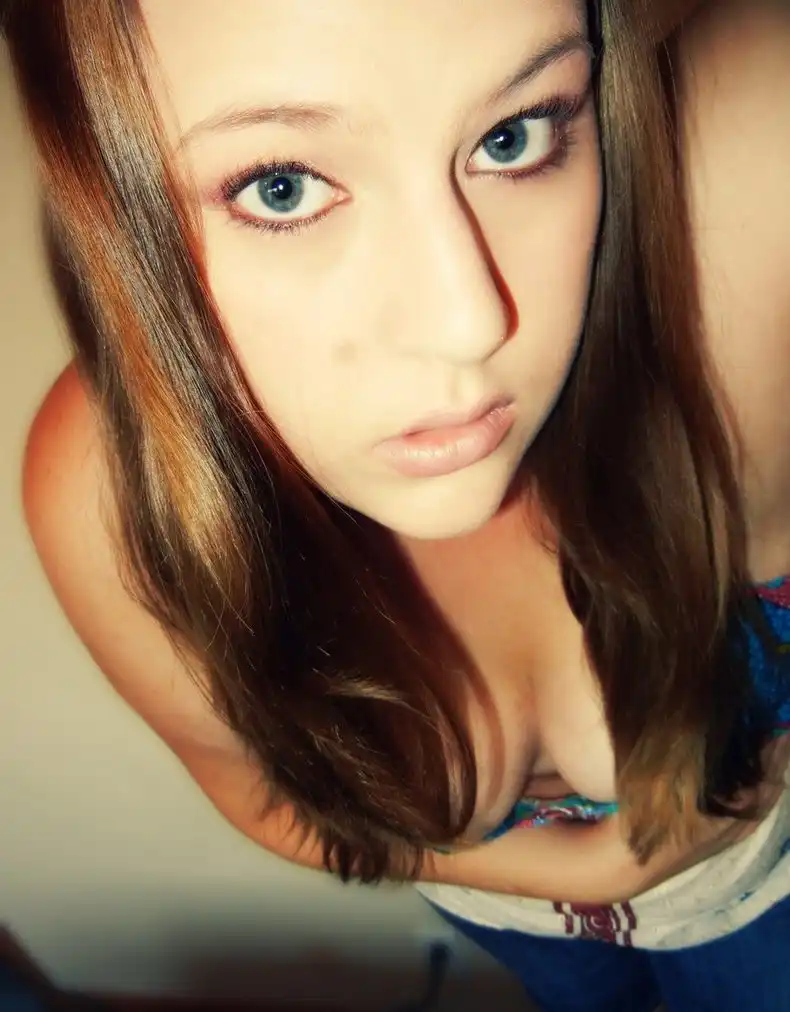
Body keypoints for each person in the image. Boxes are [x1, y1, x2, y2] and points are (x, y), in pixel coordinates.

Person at [5, 0, 790, 1008]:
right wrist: (583, 875)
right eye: (282, 187)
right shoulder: (111, 494)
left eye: (513, 135)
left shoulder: (727, 230)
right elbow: (253, 789)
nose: (467, 322)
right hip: (522, 927)